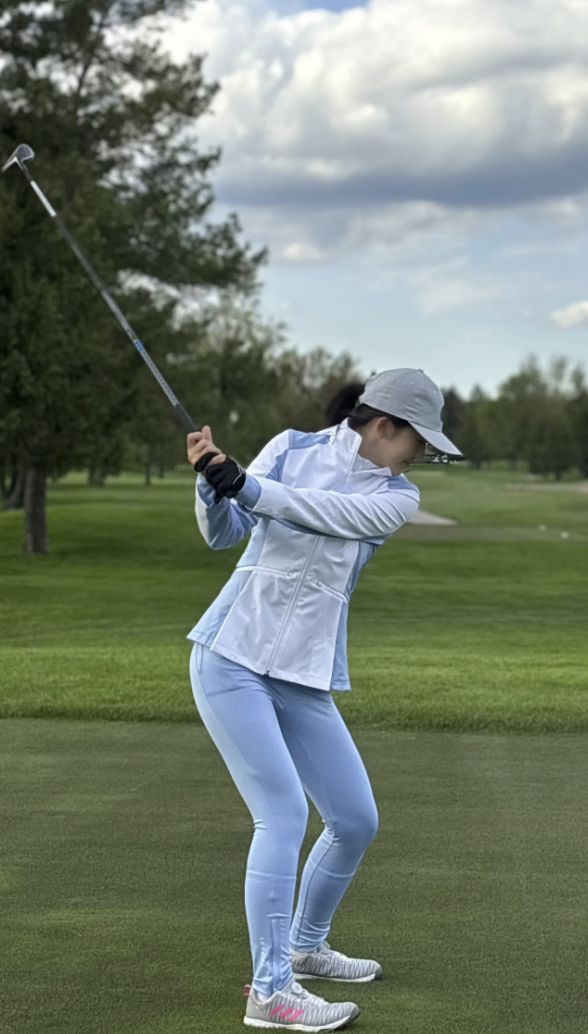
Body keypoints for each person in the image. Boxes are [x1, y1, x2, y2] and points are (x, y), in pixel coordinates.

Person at [185, 368, 462, 1031]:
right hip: (231, 656)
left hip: (303, 674)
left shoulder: (398, 497)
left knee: (355, 820)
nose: (421, 454)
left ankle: (306, 946)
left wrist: (248, 486)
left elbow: (325, 514)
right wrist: (211, 482)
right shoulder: (289, 446)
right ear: (384, 424)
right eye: (418, 439)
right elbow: (222, 532)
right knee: (281, 817)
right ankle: (270, 990)